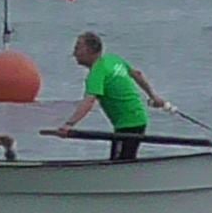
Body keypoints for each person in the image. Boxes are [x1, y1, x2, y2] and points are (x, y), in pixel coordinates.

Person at [58, 31, 167, 161]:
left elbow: (88, 101)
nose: (74, 53)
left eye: (77, 48)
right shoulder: (113, 60)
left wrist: (69, 124)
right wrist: (153, 96)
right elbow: (137, 74)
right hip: (138, 118)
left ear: (91, 50)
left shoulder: (97, 73)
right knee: (124, 160)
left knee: (120, 163)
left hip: (128, 125)